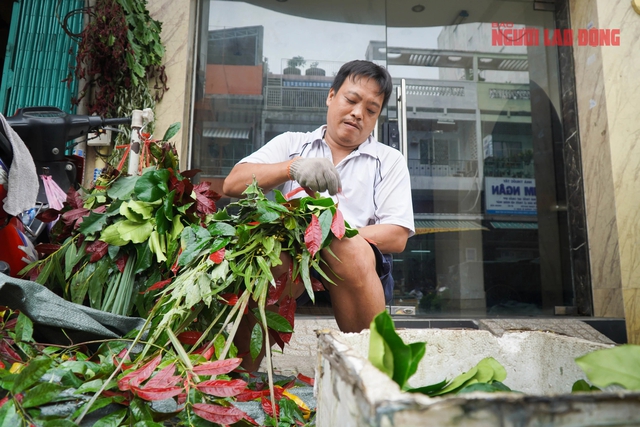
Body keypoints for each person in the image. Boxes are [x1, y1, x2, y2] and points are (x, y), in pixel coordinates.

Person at [223, 60, 414, 370]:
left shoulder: (388, 160)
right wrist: (292, 168)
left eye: (370, 110)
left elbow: (396, 235)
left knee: (349, 250)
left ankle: (372, 375)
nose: (357, 113)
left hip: (355, 270)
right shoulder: (293, 143)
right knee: (274, 260)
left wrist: (326, 232)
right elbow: (233, 183)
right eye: (351, 100)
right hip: (293, 259)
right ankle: (241, 373)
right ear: (331, 96)